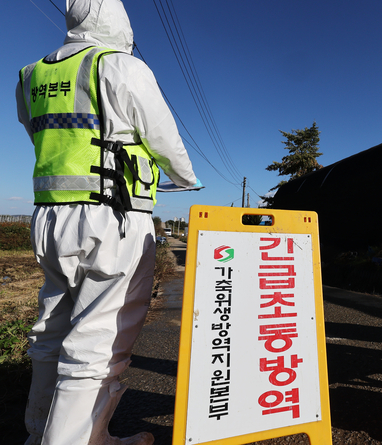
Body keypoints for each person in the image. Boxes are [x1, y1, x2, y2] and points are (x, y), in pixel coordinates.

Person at [16, 0, 199, 443]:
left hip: (49, 218)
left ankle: (42, 431)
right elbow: (163, 136)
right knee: (99, 343)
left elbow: (36, 130)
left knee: (52, 330)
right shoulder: (120, 65)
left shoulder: (30, 74)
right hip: (111, 217)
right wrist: (186, 179)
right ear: (116, 20)